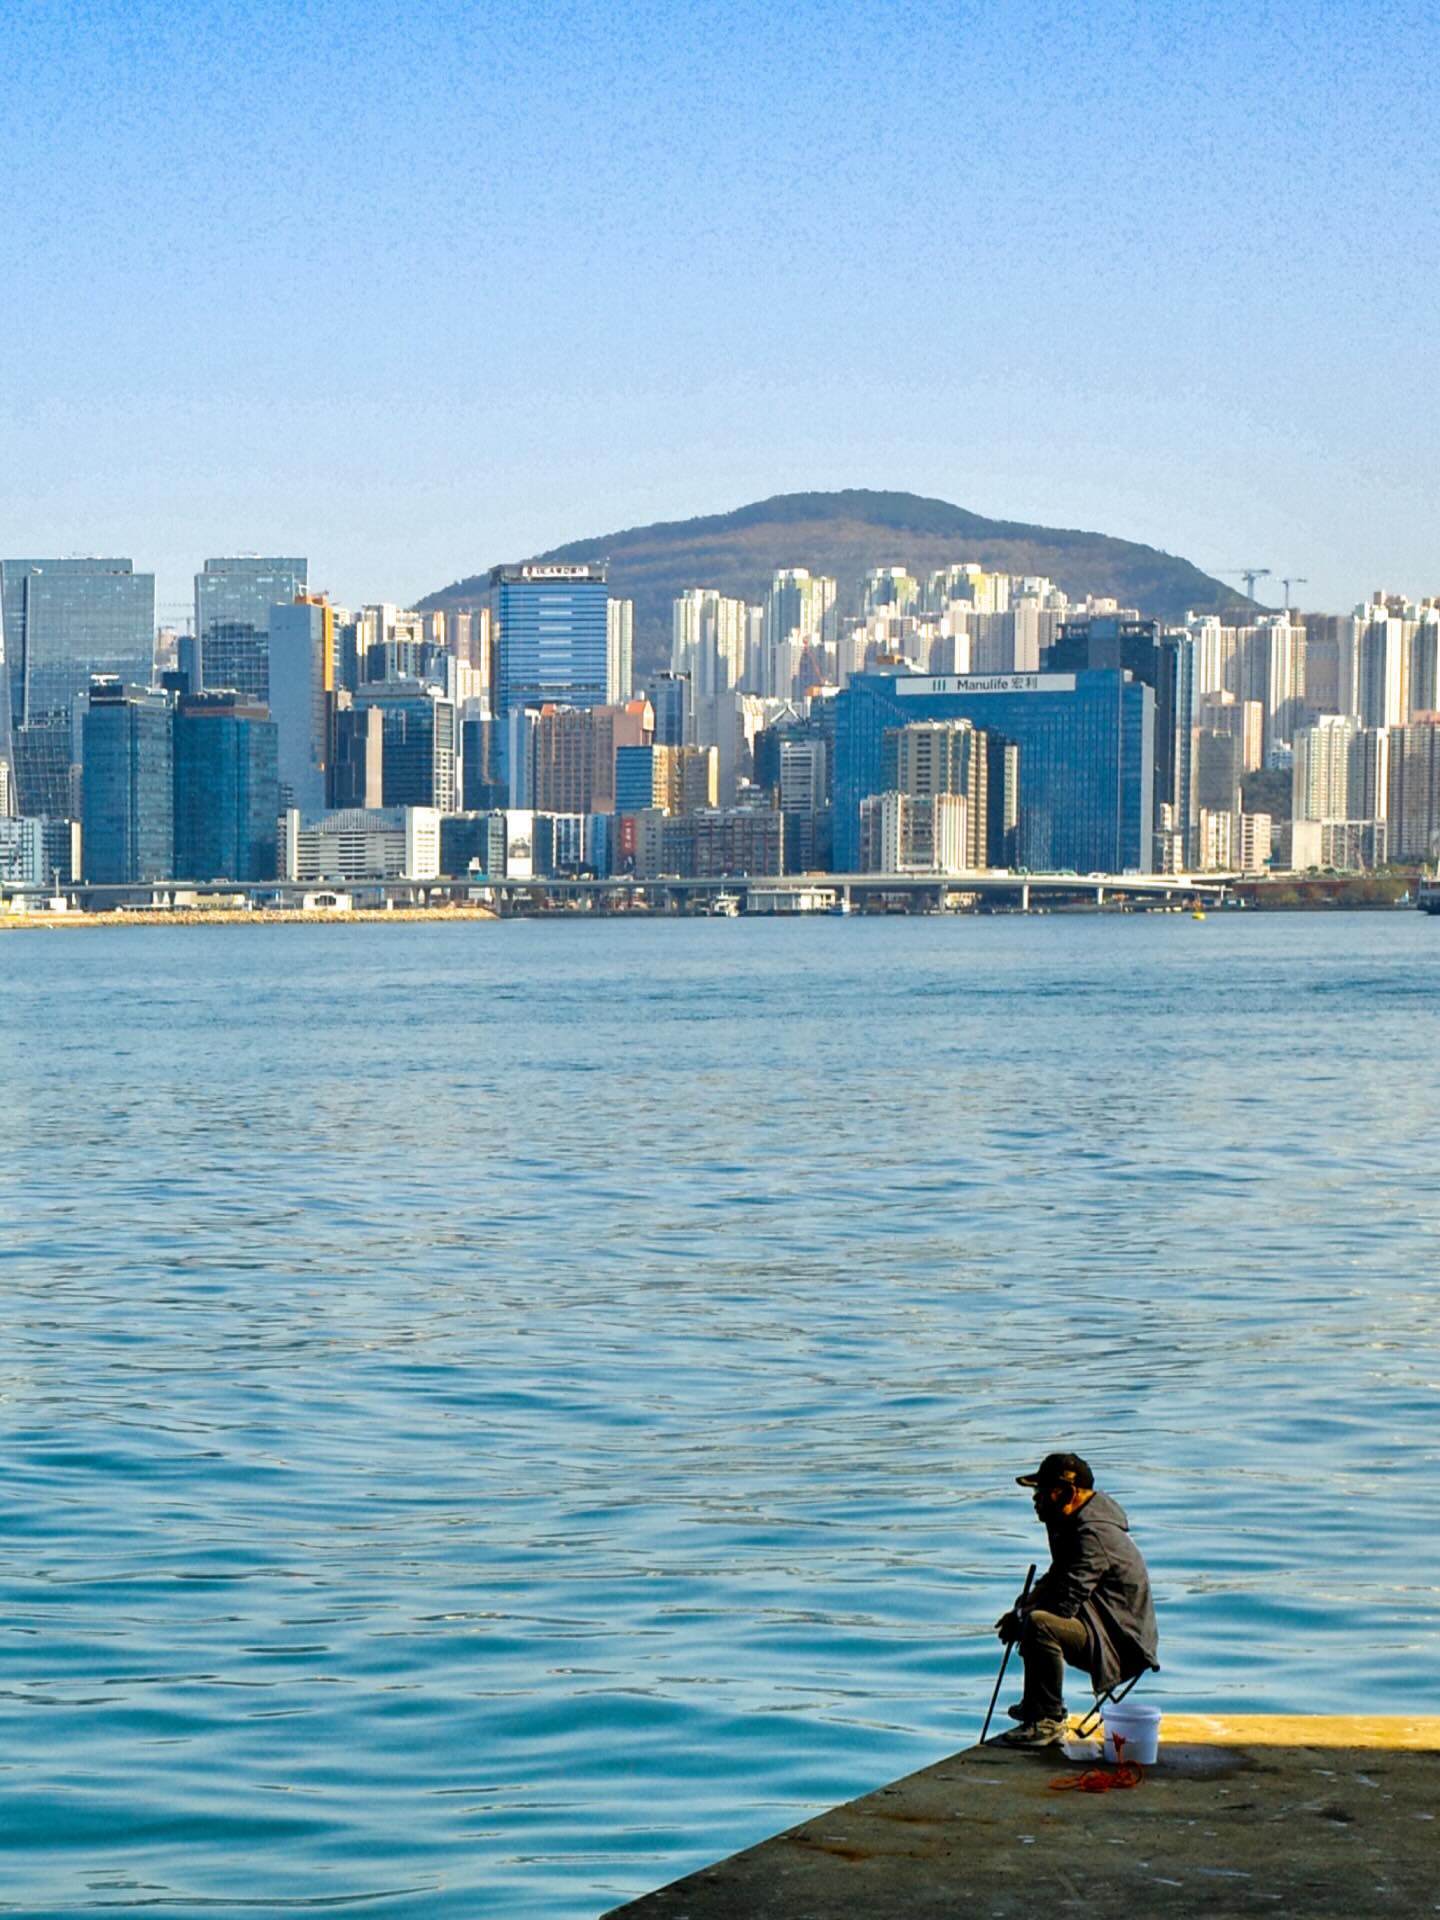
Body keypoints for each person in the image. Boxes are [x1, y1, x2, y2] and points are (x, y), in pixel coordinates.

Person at [993, 1451, 1158, 1748]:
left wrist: (1024, 1616)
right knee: (1031, 1614)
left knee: (1040, 1623)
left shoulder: (1092, 1535)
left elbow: (1064, 1603)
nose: (1035, 1499)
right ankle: (1037, 1707)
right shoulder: (1075, 1524)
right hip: (1100, 1625)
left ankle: (1047, 1720)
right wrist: (1024, 1603)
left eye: (1042, 1491)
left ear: (1068, 1494)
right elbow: (1058, 1576)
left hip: (1120, 1643)